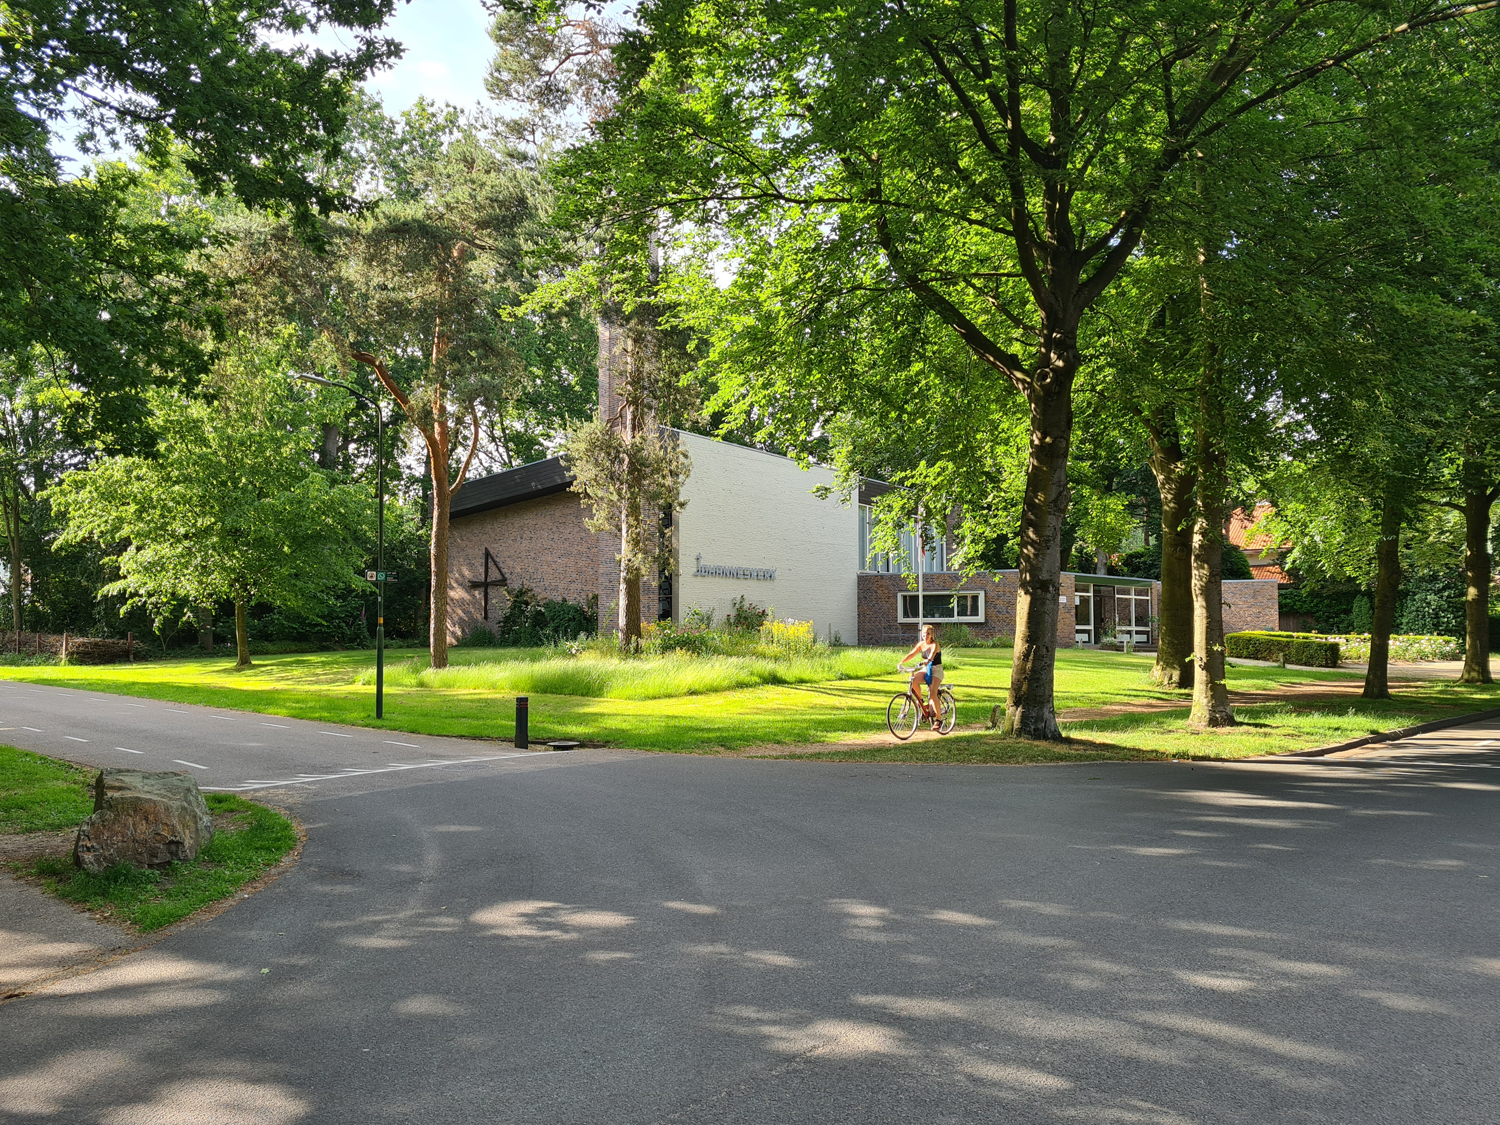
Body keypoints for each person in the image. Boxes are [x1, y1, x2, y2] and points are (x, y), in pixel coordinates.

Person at [900, 624, 944, 729]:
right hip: (926, 669)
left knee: (933, 695)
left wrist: (928, 660)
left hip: (936, 670)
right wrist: (901, 663)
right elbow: (912, 654)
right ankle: (921, 703)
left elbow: (932, 653)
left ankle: (938, 720)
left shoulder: (935, 644)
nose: (926, 636)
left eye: (928, 634)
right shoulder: (921, 644)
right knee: (913, 679)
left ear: (932, 635)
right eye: (924, 634)